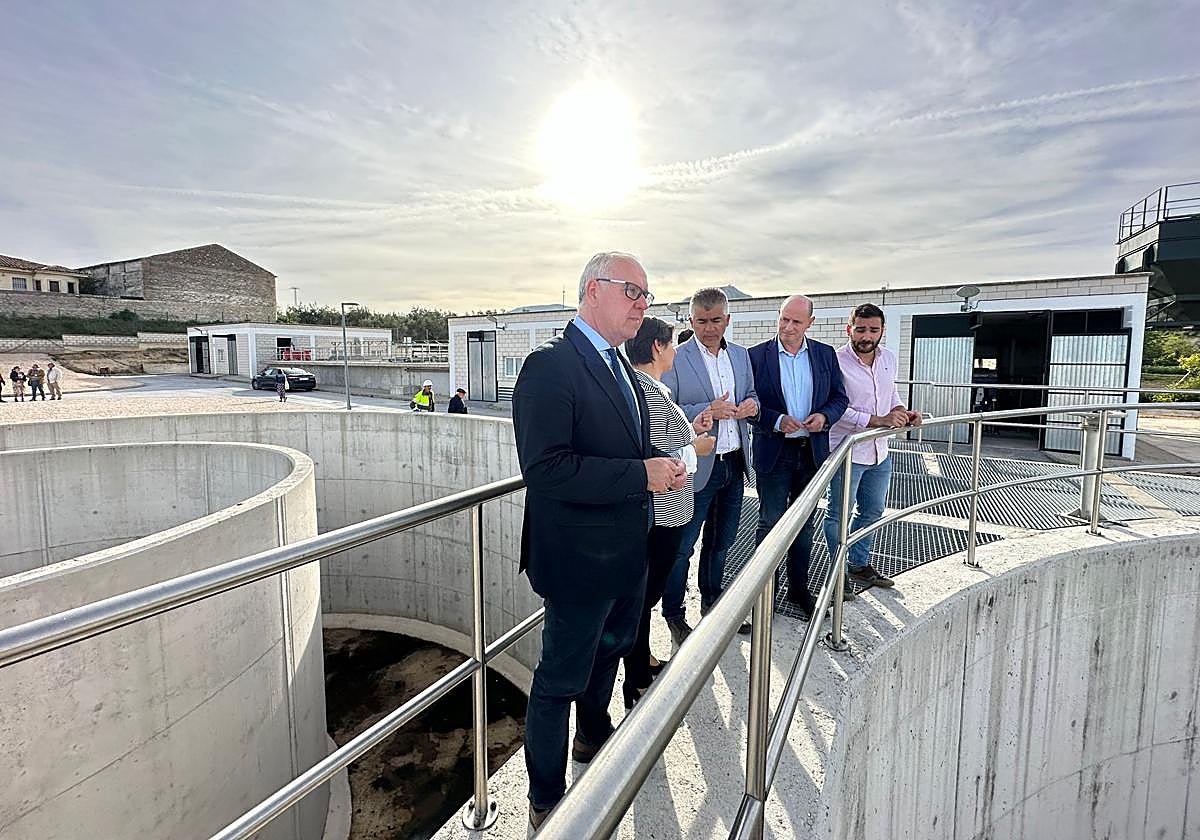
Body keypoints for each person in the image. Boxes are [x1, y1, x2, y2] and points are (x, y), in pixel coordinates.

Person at [513, 252, 685, 834]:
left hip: (626, 557)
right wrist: (643, 474)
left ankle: (592, 738)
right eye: (632, 291)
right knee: (559, 678)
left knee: (610, 654)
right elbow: (547, 470)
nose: (643, 304)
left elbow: (624, 452)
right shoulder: (550, 367)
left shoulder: (624, 372)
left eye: (647, 294)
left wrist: (658, 469)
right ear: (592, 291)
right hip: (579, 564)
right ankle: (546, 799)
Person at [621, 316, 715, 708]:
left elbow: (664, 440)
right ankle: (637, 678)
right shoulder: (649, 391)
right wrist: (699, 447)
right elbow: (665, 454)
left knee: (646, 592)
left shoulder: (643, 387)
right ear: (658, 347)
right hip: (662, 513)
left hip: (660, 511)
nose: (675, 350)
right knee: (645, 595)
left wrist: (690, 430)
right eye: (672, 343)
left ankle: (642, 660)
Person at [659, 287, 759, 642]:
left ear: (727, 320)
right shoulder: (678, 357)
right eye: (701, 321)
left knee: (722, 541)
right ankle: (673, 614)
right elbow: (664, 415)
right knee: (683, 546)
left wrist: (752, 407)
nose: (709, 328)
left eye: (716, 320)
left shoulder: (742, 357)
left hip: (734, 463)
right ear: (690, 321)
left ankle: (713, 604)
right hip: (697, 466)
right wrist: (706, 411)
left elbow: (753, 396)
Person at [748, 295, 849, 620]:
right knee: (770, 523)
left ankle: (798, 589)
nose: (788, 327)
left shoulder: (824, 354)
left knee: (804, 525)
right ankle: (766, 593)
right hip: (774, 453)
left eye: (796, 322)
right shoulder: (756, 356)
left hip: (811, 453)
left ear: (810, 323)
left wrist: (824, 416)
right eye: (784, 320)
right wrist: (776, 420)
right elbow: (750, 406)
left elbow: (839, 397)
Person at [824, 304, 922, 591]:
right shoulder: (835, 362)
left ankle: (858, 564)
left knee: (872, 510)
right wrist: (879, 420)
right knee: (838, 514)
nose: (867, 335)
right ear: (849, 328)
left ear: (882, 331)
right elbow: (834, 408)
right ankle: (836, 573)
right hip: (847, 450)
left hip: (880, 450)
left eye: (873, 330)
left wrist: (904, 412)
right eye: (861, 328)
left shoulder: (888, 358)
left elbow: (891, 394)